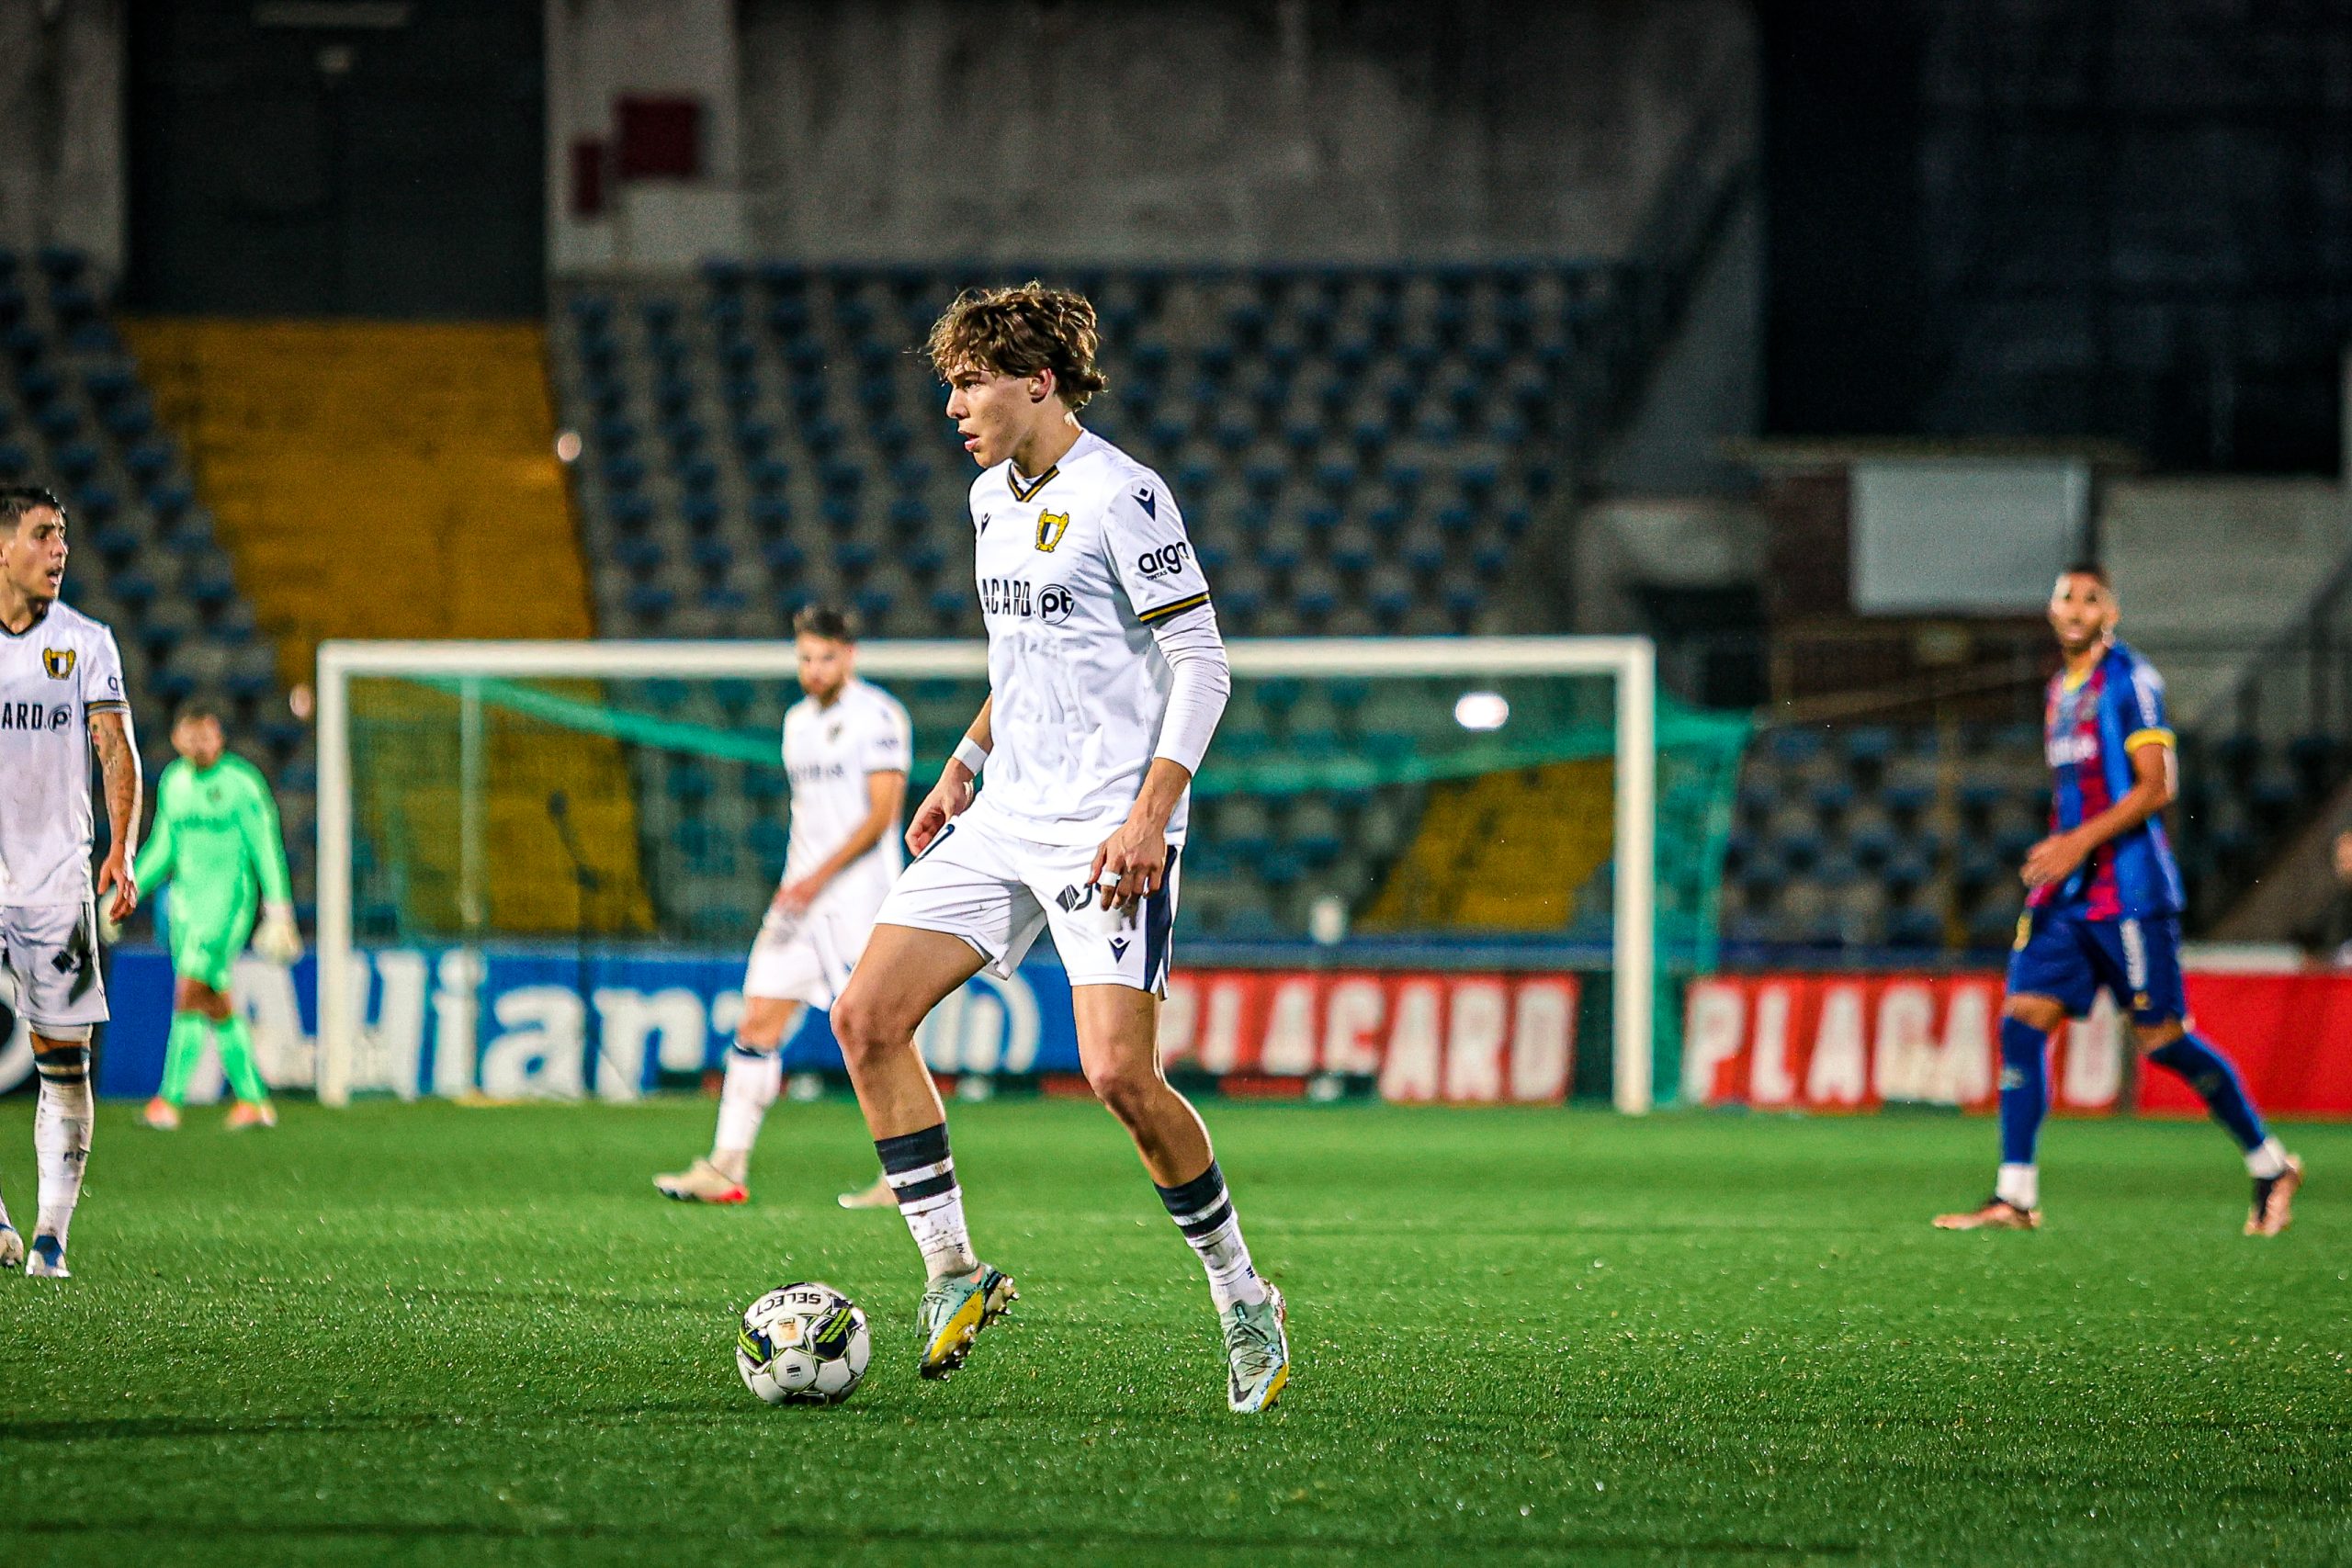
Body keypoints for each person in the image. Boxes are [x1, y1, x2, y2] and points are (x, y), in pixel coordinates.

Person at [824, 282, 1288, 1413]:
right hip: (1003, 813)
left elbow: (1204, 663)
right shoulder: (989, 497)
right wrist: (960, 768)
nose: (952, 406)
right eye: (948, 383)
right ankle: (952, 1272)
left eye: (970, 381)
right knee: (865, 1019)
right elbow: (1023, 658)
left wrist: (1148, 815)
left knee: (1120, 1076)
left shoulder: (1123, 495)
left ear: (1039, 382)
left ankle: (1241, 1295)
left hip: (1104, 827)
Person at [1937, 563, 2303, 1236]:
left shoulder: (2132, 682)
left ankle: (2269, 1161)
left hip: (2129, 890)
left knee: (2163, 1040)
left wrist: (2076, 843)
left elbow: (2157, 786)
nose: (2075, 609)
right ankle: (2013, 1195)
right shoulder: (2058, 690)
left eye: (2090, 599)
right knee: (2021, 1021)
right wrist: (2064, 852)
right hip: (2067, 897)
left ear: (2112, 613)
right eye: (2065, 597)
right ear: (2051, 609)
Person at [655, 604, 910, 1208]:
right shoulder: (796, 721)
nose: (814, 669)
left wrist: (817, 876)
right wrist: (797, 879)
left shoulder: (878, 716)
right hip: (800, 900)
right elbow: (812, 816)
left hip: (856, 899)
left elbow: (880, 816)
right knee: (756, 1023)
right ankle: (726, 1166)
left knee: (877, 1034)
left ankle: (906, 1176)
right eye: (805, 658)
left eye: (826, 657)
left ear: (849, 656)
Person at [0, 485, 141, 1278]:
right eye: (44, 534)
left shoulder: (86, 641)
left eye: (64, 535)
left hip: (57, 882)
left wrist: (121, 846)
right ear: (2, 548)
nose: (60, 550)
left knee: (64, 1059)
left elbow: (116, 748)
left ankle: (50, 1236)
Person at [133, 703, 301, 1131]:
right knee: (214, 998)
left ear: (220, 737)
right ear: (177, 739)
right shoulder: (174, 782)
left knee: (189, 990)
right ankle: (253, 1100)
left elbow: (266, 846)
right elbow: (162, 847)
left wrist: (279, 909)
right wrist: (127, 891)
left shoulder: (241, 783)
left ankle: (168, 1101)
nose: (201, 742)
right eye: (192, 734)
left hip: (228, 904)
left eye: (207, 734)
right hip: (185, 908)